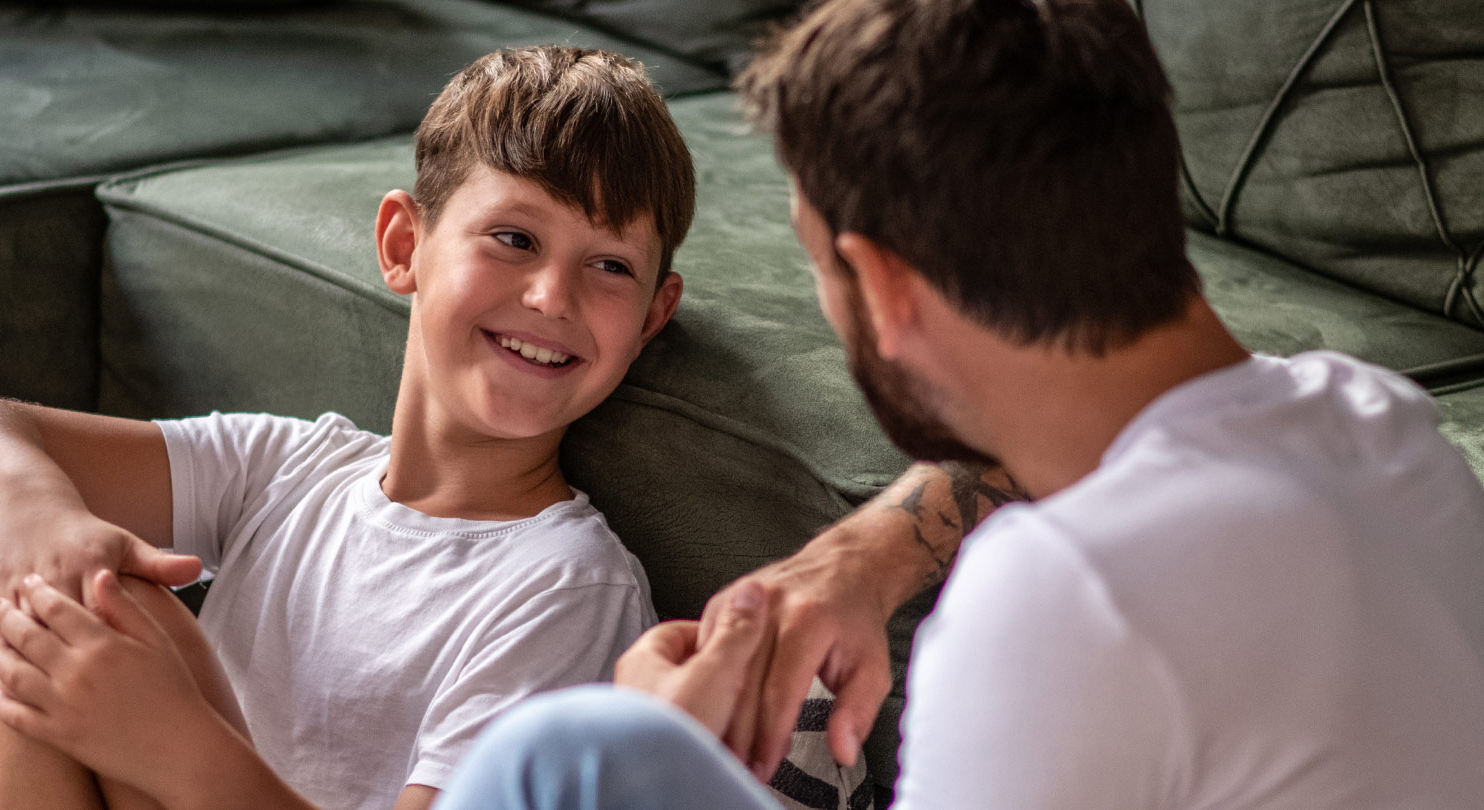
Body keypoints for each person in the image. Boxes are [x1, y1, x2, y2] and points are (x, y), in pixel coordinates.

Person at [430, 0, 1484, 808]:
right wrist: (866, 556)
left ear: (884, 286)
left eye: (819, 272)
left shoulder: (1066, 593)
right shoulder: (1376, 423)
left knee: (570, 762)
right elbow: (1141, 426)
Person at [0, 46, 699, 810]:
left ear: (655, 316)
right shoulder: (294, 470)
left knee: (86, 611)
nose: (550, 297)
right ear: (405, 246)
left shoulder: (568, 585)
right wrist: (30, 506)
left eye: (608, 267)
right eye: (514, 238)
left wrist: (174, 746)